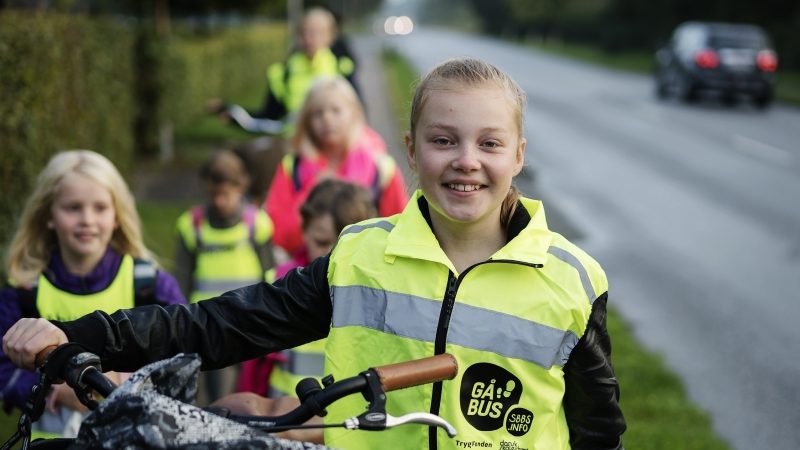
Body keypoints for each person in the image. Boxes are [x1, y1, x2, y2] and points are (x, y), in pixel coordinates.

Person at [3, 58, 626, 449]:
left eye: (490, 143)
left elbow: (598, 431)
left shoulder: (572, 280)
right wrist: (74, 335)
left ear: (518, 154)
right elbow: (221, 324)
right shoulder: (359, 256)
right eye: (444, 140)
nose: (466, 160)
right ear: (411, 150)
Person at [0, 150, 186, 439]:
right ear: (48, 215)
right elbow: (4, 369)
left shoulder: (150, 285)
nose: (87, 219)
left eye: (100, 208)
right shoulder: (25, 292)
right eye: (73, 207)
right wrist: (54, 391)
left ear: (117, 215)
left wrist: (128, 382)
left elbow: (183, 358)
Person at [237, 179, 377, 398]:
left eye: (342, 245)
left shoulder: (377, 291)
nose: (331, 256)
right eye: (321, 242)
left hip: (346, 426)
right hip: (284, 420)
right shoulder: (278, 282)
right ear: (304, 231)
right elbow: (252, 368)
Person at [174, 149, 276, 404]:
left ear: (241, 187)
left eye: (226, 194)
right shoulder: (192, 225)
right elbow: (182, 279)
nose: (220, 202)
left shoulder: (257, 223)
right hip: (211, 325)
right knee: (222, 396)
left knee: (253, 393)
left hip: (253, 319)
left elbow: (270, 272)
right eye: (214, 194)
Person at [266, 76, 408, 258]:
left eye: (336, 110)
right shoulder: (292, 167)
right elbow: (280, 235)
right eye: (318, 113)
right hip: (307, 273)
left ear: (354, 113)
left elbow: (399, 230)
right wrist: (313, 190)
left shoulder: (380, 167)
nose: (327, 119)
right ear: (307, 120)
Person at [209, 6, 358, 136]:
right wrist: (234, 113)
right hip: (294, 148)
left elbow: (357, 114)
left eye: (315, 32)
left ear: (330, 37)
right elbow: (269, 118)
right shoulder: (283, 73)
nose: (308, 38)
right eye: (303, 33)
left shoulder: (342, 69)